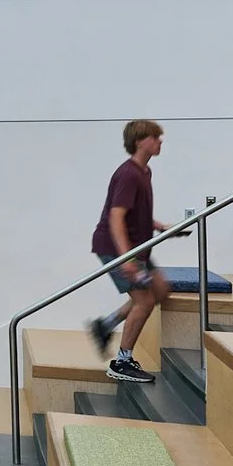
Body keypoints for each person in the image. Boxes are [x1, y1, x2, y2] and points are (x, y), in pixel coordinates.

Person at [84, 120, 166, 386]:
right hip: (117, 248)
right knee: (144, 301)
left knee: (160, 290)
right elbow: (116, 217)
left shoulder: (145, 172)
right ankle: (122, 361)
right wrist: (126, 258)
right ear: (141, 140)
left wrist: (159, 226)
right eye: (156, 137)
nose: (160, 141)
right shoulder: (128, 174)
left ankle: (105, 325)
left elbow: (133, 212)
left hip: (136, 248)